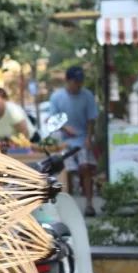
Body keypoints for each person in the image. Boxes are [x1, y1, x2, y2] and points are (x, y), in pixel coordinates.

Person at [48, 66, 99, 216]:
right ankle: (68, 207)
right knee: (66, 172)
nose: (78, 85)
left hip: (83, 138)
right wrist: (64, 127)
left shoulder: (87, 96)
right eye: (76, 82)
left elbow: (91, 119)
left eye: (80, 82)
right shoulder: (57, 97)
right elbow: (53, 119)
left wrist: (89, 138)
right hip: (64, 141)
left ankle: (89, 204)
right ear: (68, 81)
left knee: (86, 168)